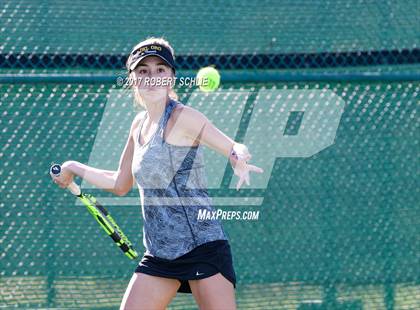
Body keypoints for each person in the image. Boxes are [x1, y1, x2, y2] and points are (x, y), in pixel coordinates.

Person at [50, 37, 263, 310]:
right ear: (133, 80)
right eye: (143, 71)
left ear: (172, 77)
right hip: (160, 254)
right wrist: (73, 167)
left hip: (202, 247)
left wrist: (238, 157)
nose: (152, 77)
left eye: (160, 70)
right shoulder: (138, 125)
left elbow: (231, 145)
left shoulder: (182, 117)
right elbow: (119, 183)